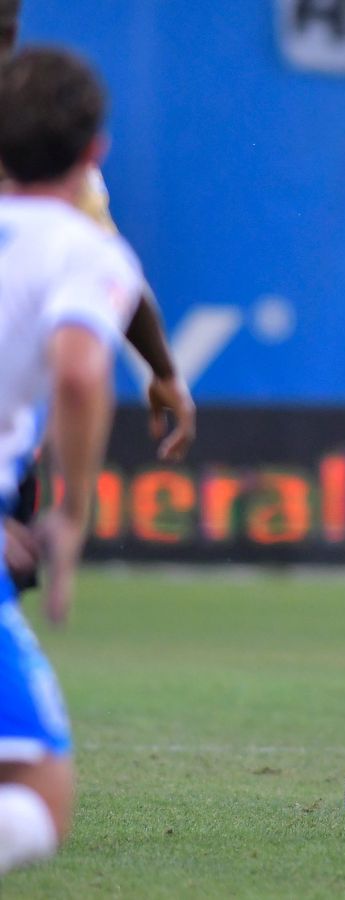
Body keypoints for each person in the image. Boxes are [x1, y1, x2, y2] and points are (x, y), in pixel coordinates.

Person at [0, 46, 147, 873]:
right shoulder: (85, 251)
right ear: (96, 152)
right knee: (39, 794)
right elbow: (82, 368)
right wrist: (71, 515)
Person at [0, 0, 195, 593]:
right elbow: (82, 370)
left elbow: (107, 270)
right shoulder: (53, 151)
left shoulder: (38, 140)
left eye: (7, 26)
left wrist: (161, 368)